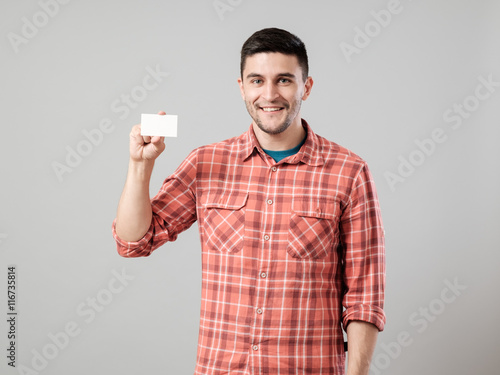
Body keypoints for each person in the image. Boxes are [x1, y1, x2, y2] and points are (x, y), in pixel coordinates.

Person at [112, 27, 385, 375]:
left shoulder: (349, 172)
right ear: (241, 87)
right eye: (257, 80)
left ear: (307, 87)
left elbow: (365, 295)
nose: (269, 94)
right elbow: (133, 242)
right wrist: (140, 165)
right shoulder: (205, 163)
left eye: (284, 80)